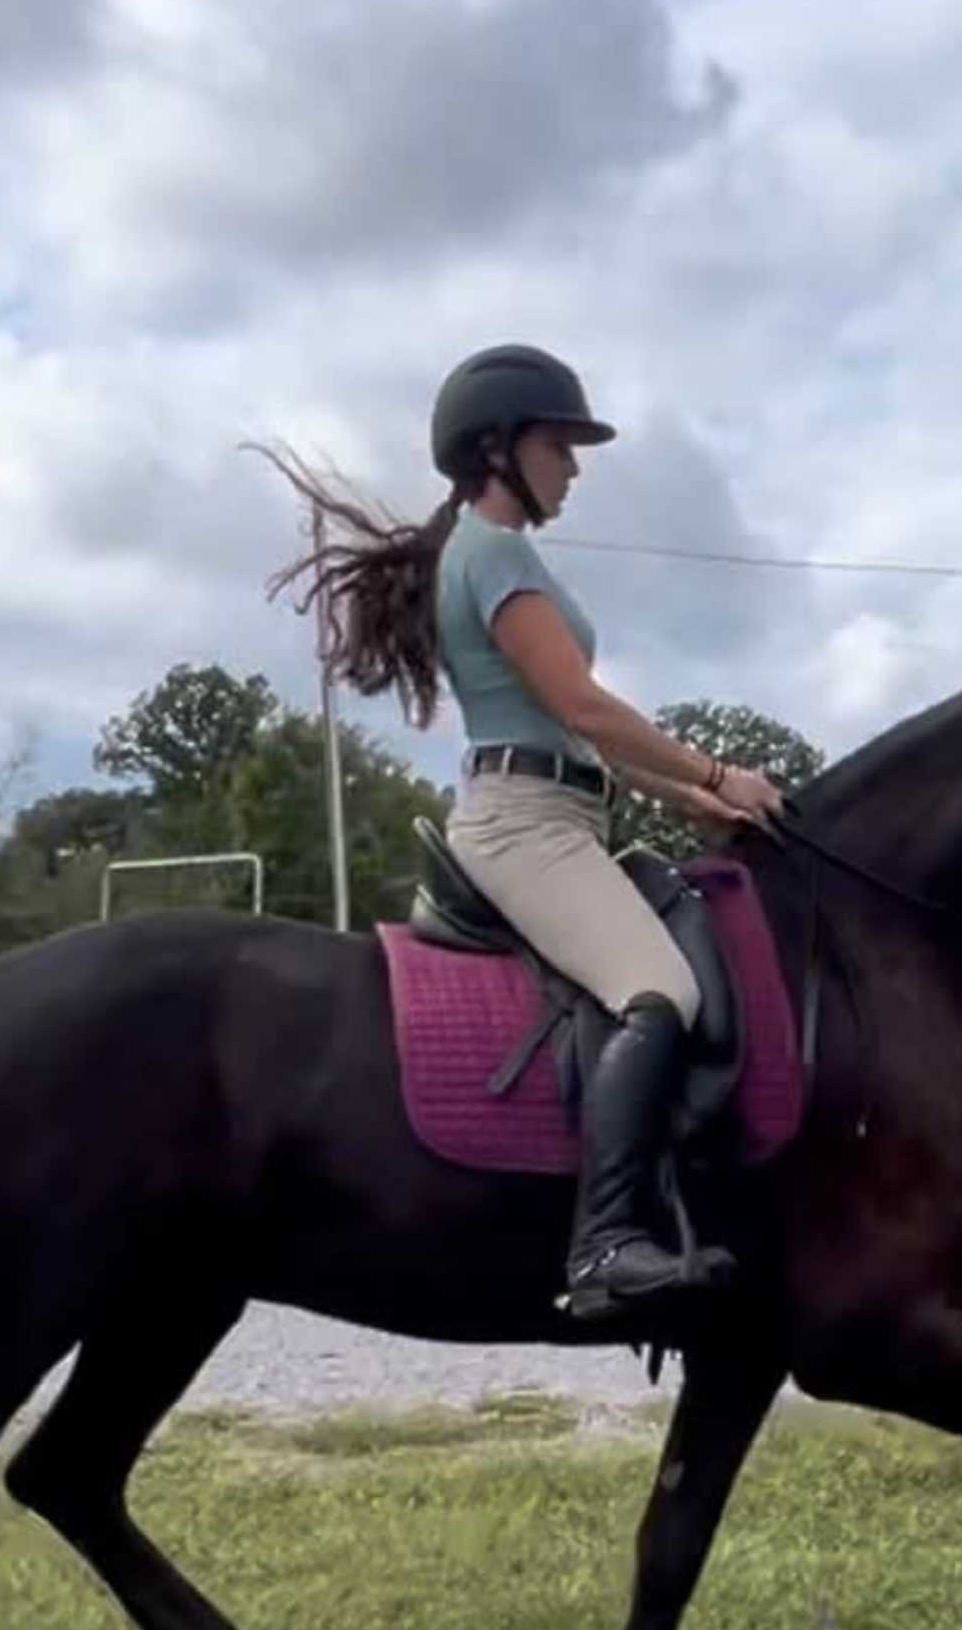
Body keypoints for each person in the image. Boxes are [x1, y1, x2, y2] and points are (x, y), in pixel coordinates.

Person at [262, 344, 789, 1322]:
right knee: (657, 990)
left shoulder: (495, 550)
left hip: (564, 809)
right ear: (498, 448)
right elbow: (581, 707)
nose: (574, 467)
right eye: (561, 445)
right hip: (523, 825)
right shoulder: (493, 552)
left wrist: (689, 802)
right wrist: (716, 770)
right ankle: (605, 1246)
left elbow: (567, 729)